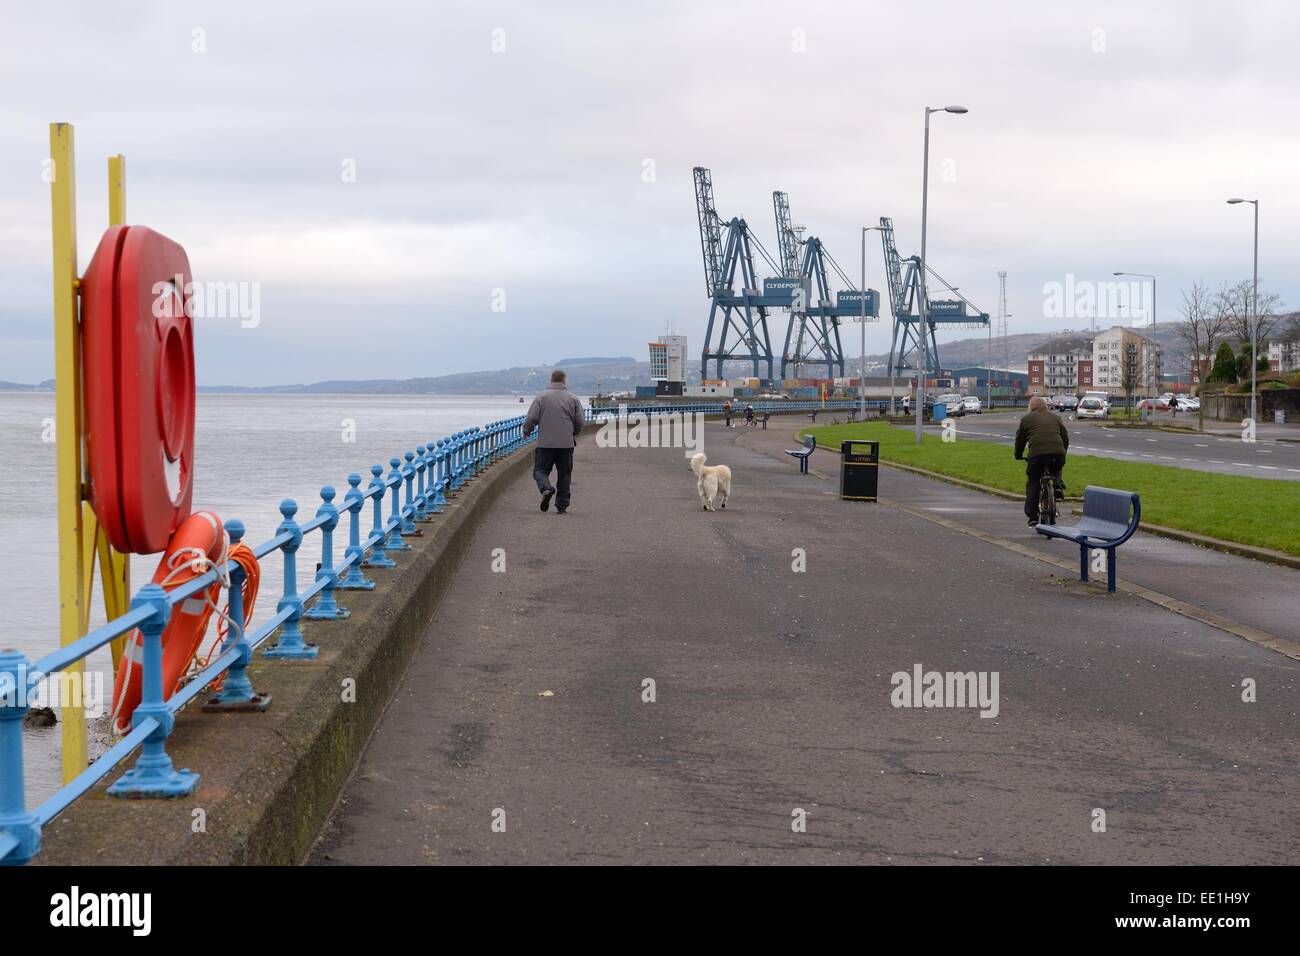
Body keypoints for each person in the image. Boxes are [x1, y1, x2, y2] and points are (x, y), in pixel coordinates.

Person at [522, 369, 584, 514]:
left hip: (545, 443)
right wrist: (573, 433)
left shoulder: (541, 397)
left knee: (540, 471)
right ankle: (562, 507)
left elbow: (532, 418)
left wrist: (526, 431)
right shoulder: (573, 398)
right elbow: (580, 421)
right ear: (564, 381)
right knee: (564, 474)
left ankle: (546, 488)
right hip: (566, 444)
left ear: (551, 380)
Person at [1014, 396, 1069, 527]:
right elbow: (1065, 438)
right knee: (1057, 467)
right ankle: (1057, 486)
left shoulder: (1026, 419)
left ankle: (1032, 516)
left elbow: (1020, 440)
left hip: (1037, 455)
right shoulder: (1056, 417)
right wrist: (1062, 452)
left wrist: (1018, 455)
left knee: (1033, 481)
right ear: (1045, 406)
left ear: (1031, 407)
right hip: (1057, 452)